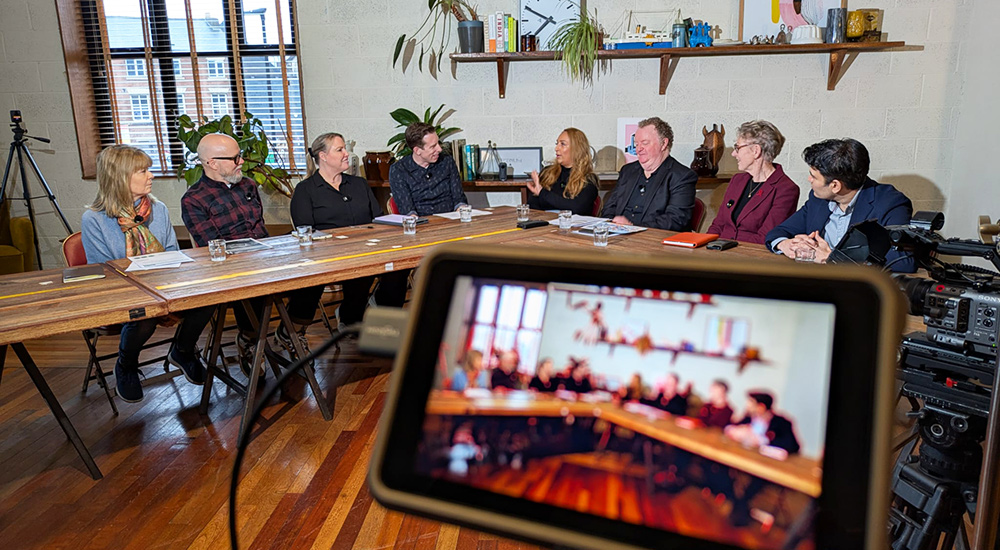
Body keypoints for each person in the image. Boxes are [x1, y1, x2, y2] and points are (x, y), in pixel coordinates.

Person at [81, 145, 215, 403]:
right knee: (144, 314)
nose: (151, 175)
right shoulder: (94, 219)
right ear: (119, 177)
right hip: (122, 292)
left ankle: (183, 351)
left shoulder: (159, 209)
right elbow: (101, 270)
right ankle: (126, 365)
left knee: (208, 299)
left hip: (164, 283)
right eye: (143, 171)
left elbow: (173, 252)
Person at [180, 133, 321, 375]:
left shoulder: (247, 185)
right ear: (212, 163)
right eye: (235, 158)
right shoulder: (194, 199)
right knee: (254, 284)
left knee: (315, 272)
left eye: (240, 156)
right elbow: (211, 245)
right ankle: (249, 339)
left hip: (265, 255)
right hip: (232, 267)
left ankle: (291, 331)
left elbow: (260, 229)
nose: (242, 162)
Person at [290, 132, 409, 326]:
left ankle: (382, 314)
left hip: (366, 248)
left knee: (400, 266)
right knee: (358, 271)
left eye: (344, 148)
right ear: (323, 156)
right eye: (340, 149)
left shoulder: (359, 184)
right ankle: (348, 318)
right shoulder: (305, 190)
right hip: (329, 256)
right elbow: (305, 232)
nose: (346, 153)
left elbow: (378, 219)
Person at [765, 138, 915, 272]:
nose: (809, 179)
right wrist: (786, 245)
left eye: (813, 176)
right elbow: (778, 232)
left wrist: (832, 258)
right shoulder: (818, 199)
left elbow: (903, 261)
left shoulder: (890, 204)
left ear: (835, 186)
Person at [707, 121, 799, 244]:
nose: (733, 154)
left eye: (737, 148)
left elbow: (766, 237)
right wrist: (705, 245)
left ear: (756, 151)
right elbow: (718, 225)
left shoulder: (786, 189)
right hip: (718, 252)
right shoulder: (737, 180)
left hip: (749, 258)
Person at [601, 117, 697, 230]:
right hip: (616, 237)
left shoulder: (681, 176)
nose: (638, 149)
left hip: (654, 241)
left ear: (664, 144)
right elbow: (610, 208)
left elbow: (675, 220)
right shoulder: (628, 171)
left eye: (644, 143)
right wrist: (610, 224)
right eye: (636, 144)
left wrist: (633, 228)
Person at [722, 392, 801, 526]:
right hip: (744, 461)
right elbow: (730, 427)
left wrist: (763, 440)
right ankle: (739, 503)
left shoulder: (782, 422)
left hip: (768, 465)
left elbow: (794, 446)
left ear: (761, 407)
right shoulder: (749, 417)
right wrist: (735, 431)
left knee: (756, 479)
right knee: (722, 467)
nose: (747, 406)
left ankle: (740, 506)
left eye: (750, 403)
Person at [388, 122, 468, 216]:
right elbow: (408, 211)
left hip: (451, 221)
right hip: (421, 224)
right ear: (417, 150)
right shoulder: (399, 170)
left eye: (438, 143)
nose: (439, 149)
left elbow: (459, 199)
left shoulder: (447, 162)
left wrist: (462, 212)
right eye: (433, 146)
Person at [526, 128, 599, 215]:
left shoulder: (588, 179)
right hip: (546, 225)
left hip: (573, 226)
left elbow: (577, 207)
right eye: (557, 143)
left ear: (577, 149)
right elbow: (532, 205)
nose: (556, 148)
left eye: (563, 144)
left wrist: (542, 193)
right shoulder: (547, 173)